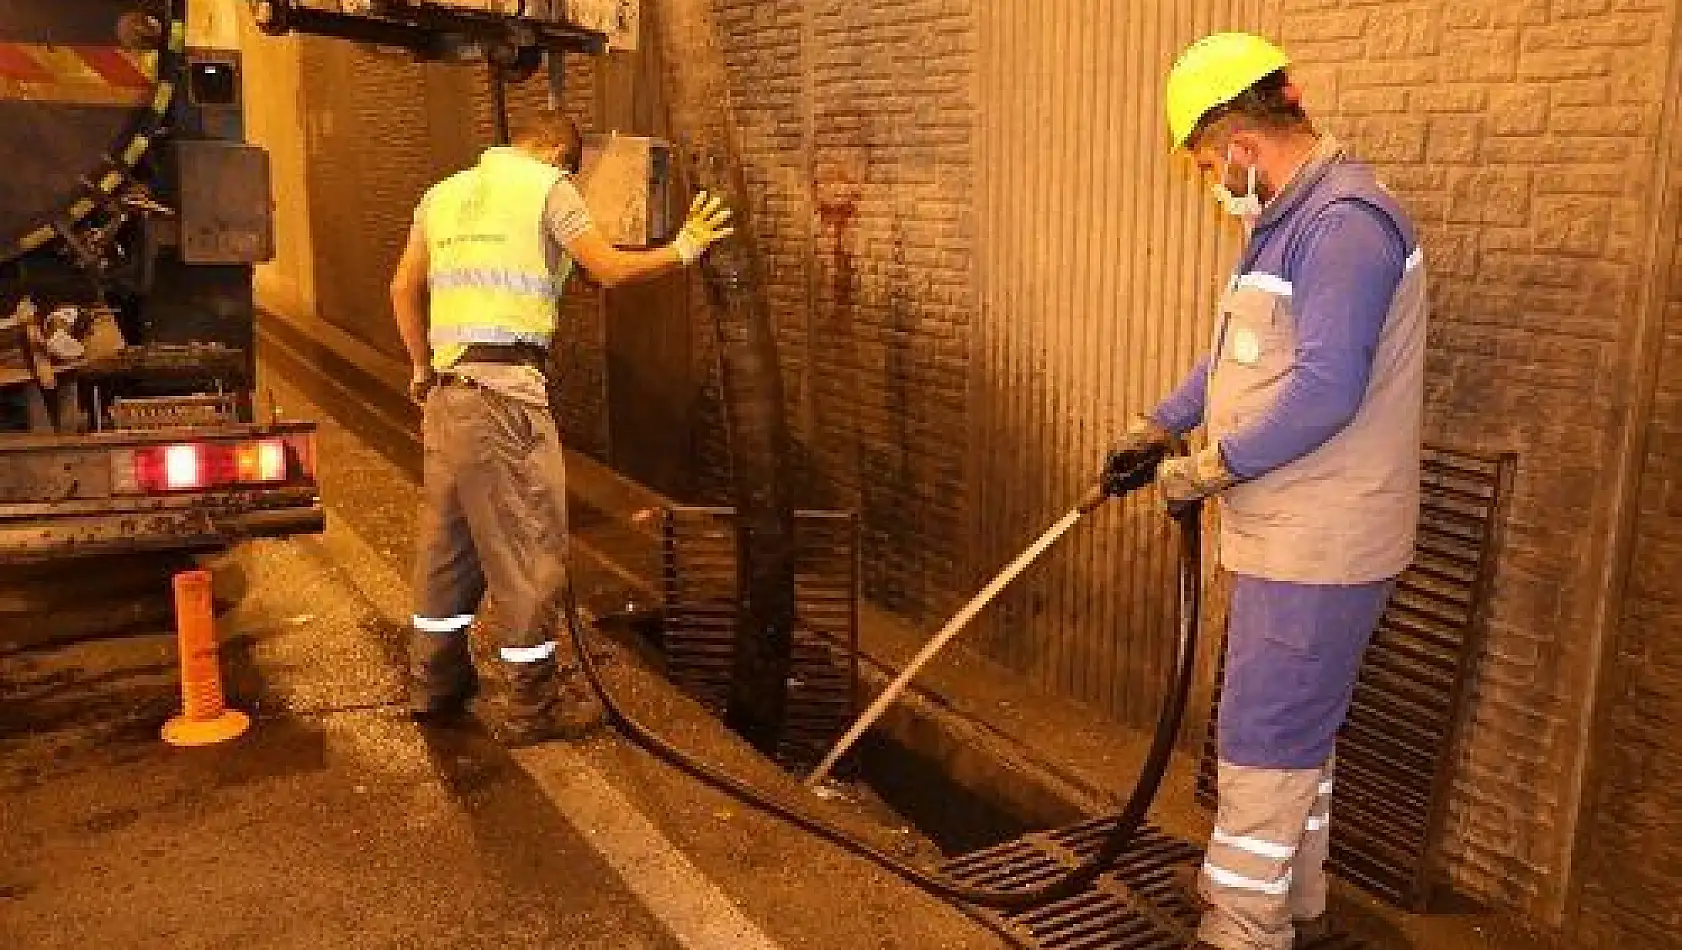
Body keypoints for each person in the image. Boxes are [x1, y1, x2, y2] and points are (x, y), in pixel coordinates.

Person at [1101, 32, 1427, 950]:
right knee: (1296, 736)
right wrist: (1159, 423)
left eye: (1210, 161)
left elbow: (1325, 389)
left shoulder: (1345, 226)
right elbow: (1236, 359)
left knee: (1260, 735)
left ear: (1243, 144)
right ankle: (1298, 907)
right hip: (1290, 530)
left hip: (1322, 541)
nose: (1212, 179)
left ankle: (1241, 929)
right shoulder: (1283, 220)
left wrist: (1206, 469)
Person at [389, 113, 734, 746]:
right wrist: (684, 247)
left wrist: (419, 369)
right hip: (505, 398)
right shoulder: (548, 187)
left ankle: (433, 683)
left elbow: (403, 286)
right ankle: (533, 707)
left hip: (448, 393)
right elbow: (608, 269)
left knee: (448, 549)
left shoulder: (441, 195)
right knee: (527, 550)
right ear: (554, 153)